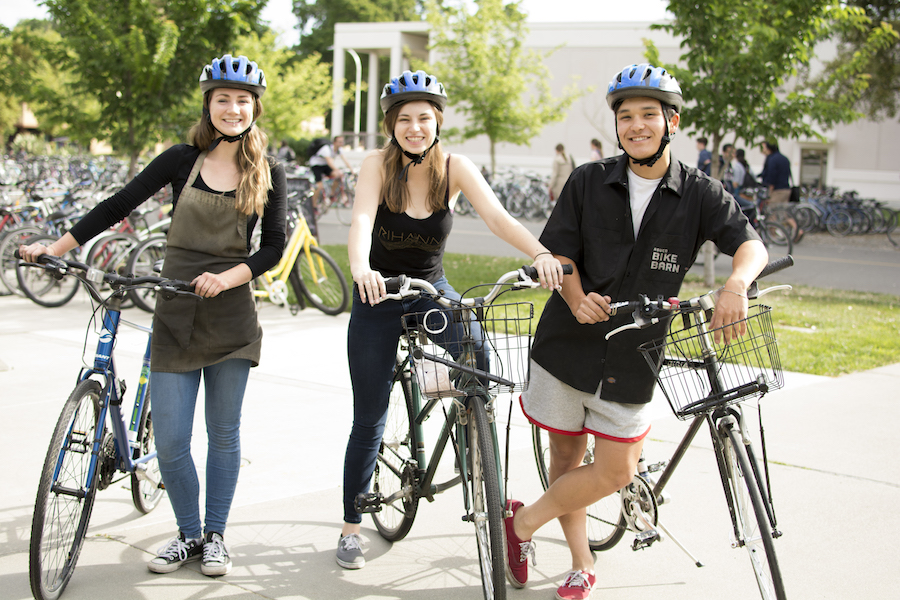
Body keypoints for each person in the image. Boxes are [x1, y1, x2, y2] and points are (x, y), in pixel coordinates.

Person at [503, 63, 768, 600]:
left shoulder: (699, 193)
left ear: (672, 122)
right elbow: (559, 252)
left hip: (635, 351)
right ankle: (581, 563)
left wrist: (737, 284)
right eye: (626, 116)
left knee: (617, 470)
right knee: (565, 459)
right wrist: (575, 299)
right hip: (566, 344)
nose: (637, 125)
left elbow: (750, 243)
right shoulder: (586, 180)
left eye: (650, 114)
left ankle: (521, 523)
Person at [19, 54, 287, 577]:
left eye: (243, 101)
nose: (233, 109)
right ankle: (187, 533)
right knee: (168, 439)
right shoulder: (180, 159)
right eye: (223, 99)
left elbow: (273, 249)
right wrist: (58, 245)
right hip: (174, 309)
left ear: (255, 107)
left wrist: (228, 277)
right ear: (208, 105)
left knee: (224, 435)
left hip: (231, 316)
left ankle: (214, 537)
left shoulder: (268, 172)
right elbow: (117, 205)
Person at [337, 69, 564, 570]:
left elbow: (499, 217)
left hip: (429, 290)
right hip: (379, 293)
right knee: (369, 415)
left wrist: (542, 252)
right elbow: (360, 220)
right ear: (391, 124)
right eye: (404, 119)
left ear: (437, 122)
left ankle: (475, 448)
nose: (414, 127)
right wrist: (361, 270)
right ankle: (352, 524)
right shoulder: (377, 164)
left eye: (423, 118)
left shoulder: (454, 167)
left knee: (478, 354)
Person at [759, 140, 801, 240]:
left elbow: (771, 178)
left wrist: (769, 193)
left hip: (777, 190)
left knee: (771, 212)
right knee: (784, 212)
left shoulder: (772, 159)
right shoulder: (784, 158)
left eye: (764, 147)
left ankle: (772, 236)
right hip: (786, 189)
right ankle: (797, 230)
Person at [309, 134, 353, 211]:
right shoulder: (326, 149)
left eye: (342, 142)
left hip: (324, 165)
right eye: (339, 142)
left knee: (338, 176)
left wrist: (351, 170)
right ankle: (314, 205)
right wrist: (337, 170)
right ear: (334, 142)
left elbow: (345, 160)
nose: (341, 144)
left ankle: (331, 194)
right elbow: (329, 162)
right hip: (316, 165)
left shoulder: (339, 150)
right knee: (319, 186)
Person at [722, 143, 753, 211]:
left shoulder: (730, 165)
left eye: (733, 153)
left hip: (731, 194)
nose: (732, 155)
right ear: (724, 152)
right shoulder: (720, 164)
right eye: (729, 153)